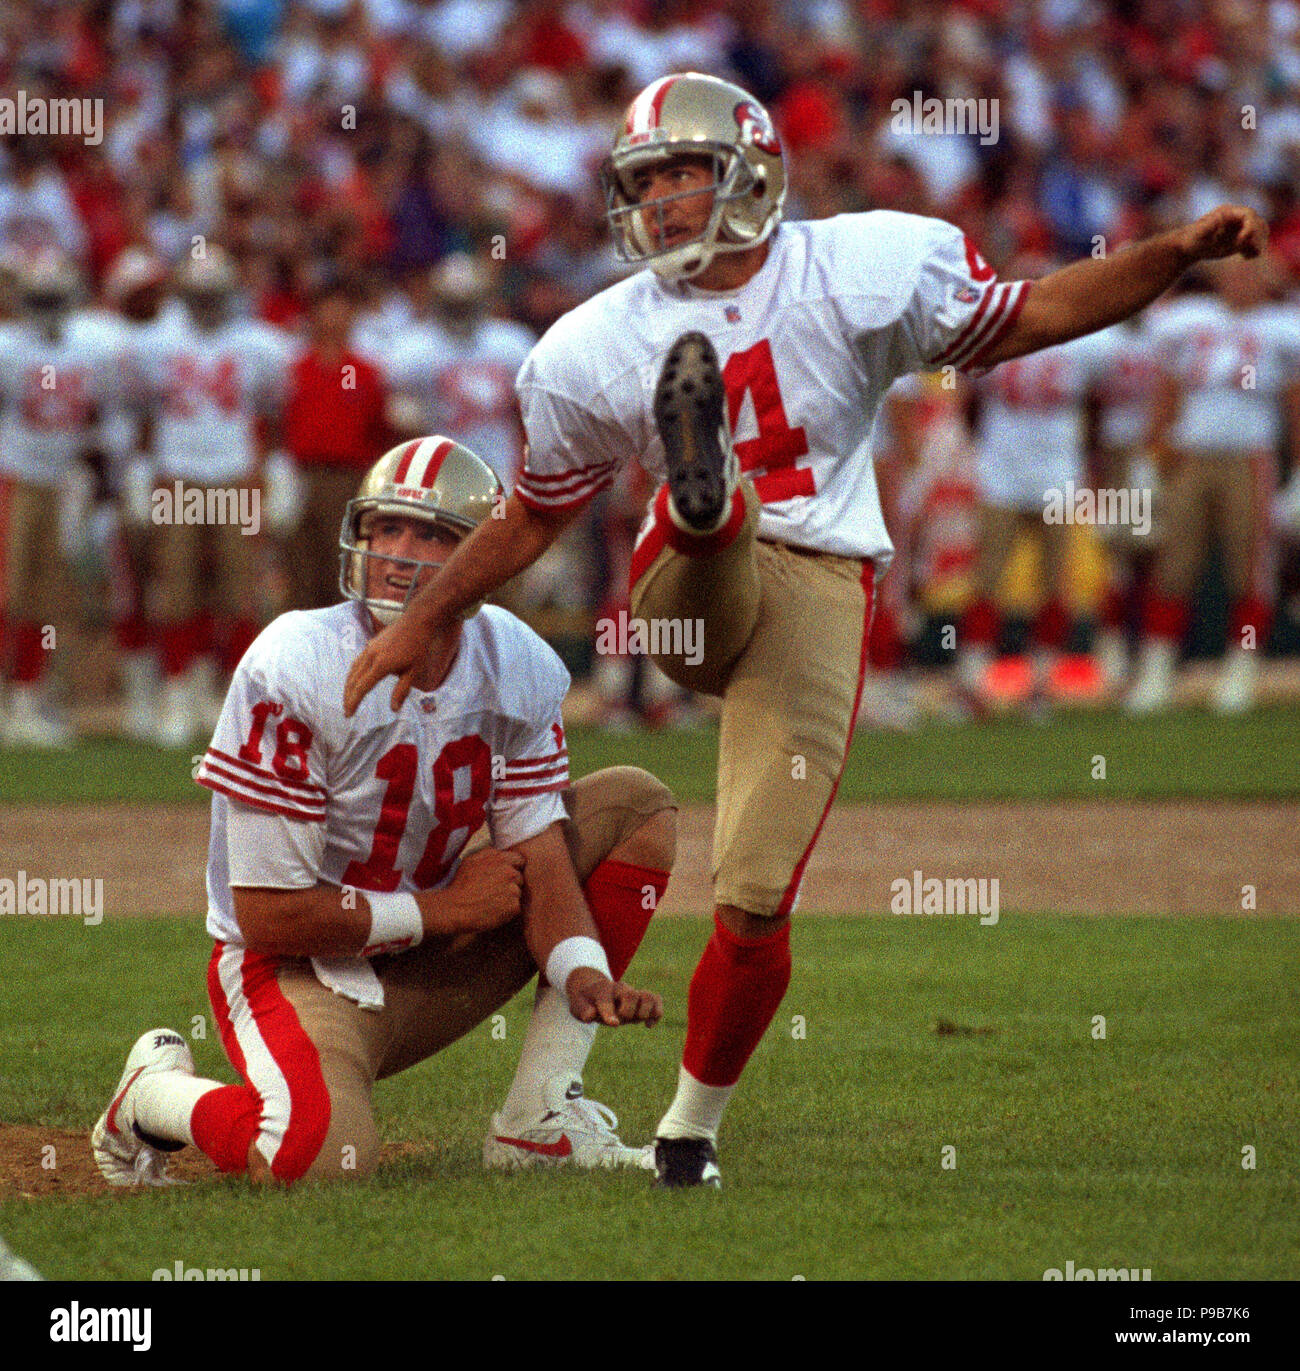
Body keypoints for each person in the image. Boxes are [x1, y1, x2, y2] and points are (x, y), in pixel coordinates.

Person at [340, 72, 1268, 1187]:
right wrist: (421, 622)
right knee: (711, 535)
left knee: (755, 889)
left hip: (822, 584)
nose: (663, 201)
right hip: (686, 592)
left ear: (748, 168)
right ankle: (706, 495)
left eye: (682, 173)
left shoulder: (864, 265)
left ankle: (688, 1134)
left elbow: (1039, 313)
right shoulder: (590, 344)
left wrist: (1171, 250)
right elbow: (535, 513)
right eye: (644, 182)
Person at [91, 435, 675, 1186]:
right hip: (297, 968)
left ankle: (540, 1119)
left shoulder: (518, 663)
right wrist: (441, 908)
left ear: (484, 556)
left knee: (635, 806)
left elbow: (541, 852)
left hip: (420, 951)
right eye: (386, 527)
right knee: (319, 1159)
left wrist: (583, 968)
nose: (401, 551)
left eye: (432, 533)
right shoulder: (296, 663)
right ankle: (153, 1096)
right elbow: (267, 915)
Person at [1124, 256, 1300, 715]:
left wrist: (1298, 471)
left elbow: (1294, 403)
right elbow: (1168, 390)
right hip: (1191, 455)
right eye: (1233, 273)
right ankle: (1158, 673)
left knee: (1250, 569)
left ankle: (1241, 671)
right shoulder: (1189, 319)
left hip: (1250, 457)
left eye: (1250, 273)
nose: (1239, 281)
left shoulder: (1281, 327)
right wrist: (1151, 455)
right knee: (1173, 564)